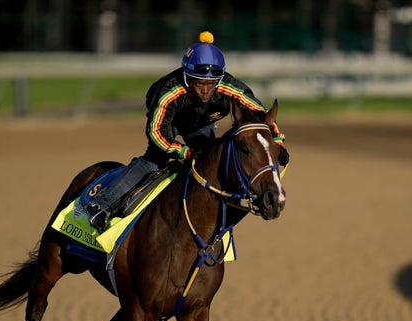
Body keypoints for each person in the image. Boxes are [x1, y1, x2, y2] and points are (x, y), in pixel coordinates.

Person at [86, 31, 288, 231]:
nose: (206, 91)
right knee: (153, 160)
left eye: (211, 84)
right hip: (169, 122)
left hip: (201, 123)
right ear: (187, 77)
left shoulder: (230, 87)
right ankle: (101, 206)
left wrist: (278, 142)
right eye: (199, 83)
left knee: (211, 164)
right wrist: (184, 152)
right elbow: (156, 132)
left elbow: (262, 116)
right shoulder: (169, 92)